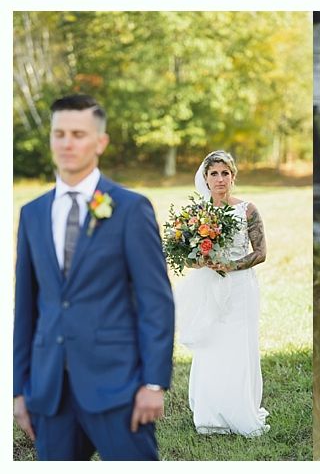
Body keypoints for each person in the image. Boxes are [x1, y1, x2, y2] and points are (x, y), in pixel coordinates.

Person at [13, 94, 175, 460]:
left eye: (78, 134)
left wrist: (153, 383)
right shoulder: (33, 213)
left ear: (100, 142)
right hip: (49, 389)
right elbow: (26, 307)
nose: (67, 143)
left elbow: (156, 302)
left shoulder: (131, 209)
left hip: (118, 385)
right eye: (59, 134)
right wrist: (19, 390)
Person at [175, 150, 270, 437]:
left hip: (240, 289)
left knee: (238, 346)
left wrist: (231, 266)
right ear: (205, 178)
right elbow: (187, 258)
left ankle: (240, 410)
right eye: (214, 174)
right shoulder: (195, 216)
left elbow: (261, 252)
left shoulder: (247, 210)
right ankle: (210, 414)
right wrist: (201, 261)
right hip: (209, 289)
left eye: (225, 173)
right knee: (211, 346)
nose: (219, 179)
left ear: (233, 177)